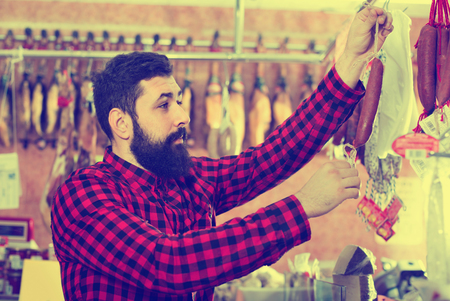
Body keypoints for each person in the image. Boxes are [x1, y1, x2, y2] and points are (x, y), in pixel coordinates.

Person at [51, 6, 393, 301]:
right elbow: (169, 264)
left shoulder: (187, 179)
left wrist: (351, 61)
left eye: (179, 100)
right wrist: (301, 207)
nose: (183, 115)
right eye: (164, 105)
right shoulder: (84, 195)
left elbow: (270, 159)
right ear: (121, 124)